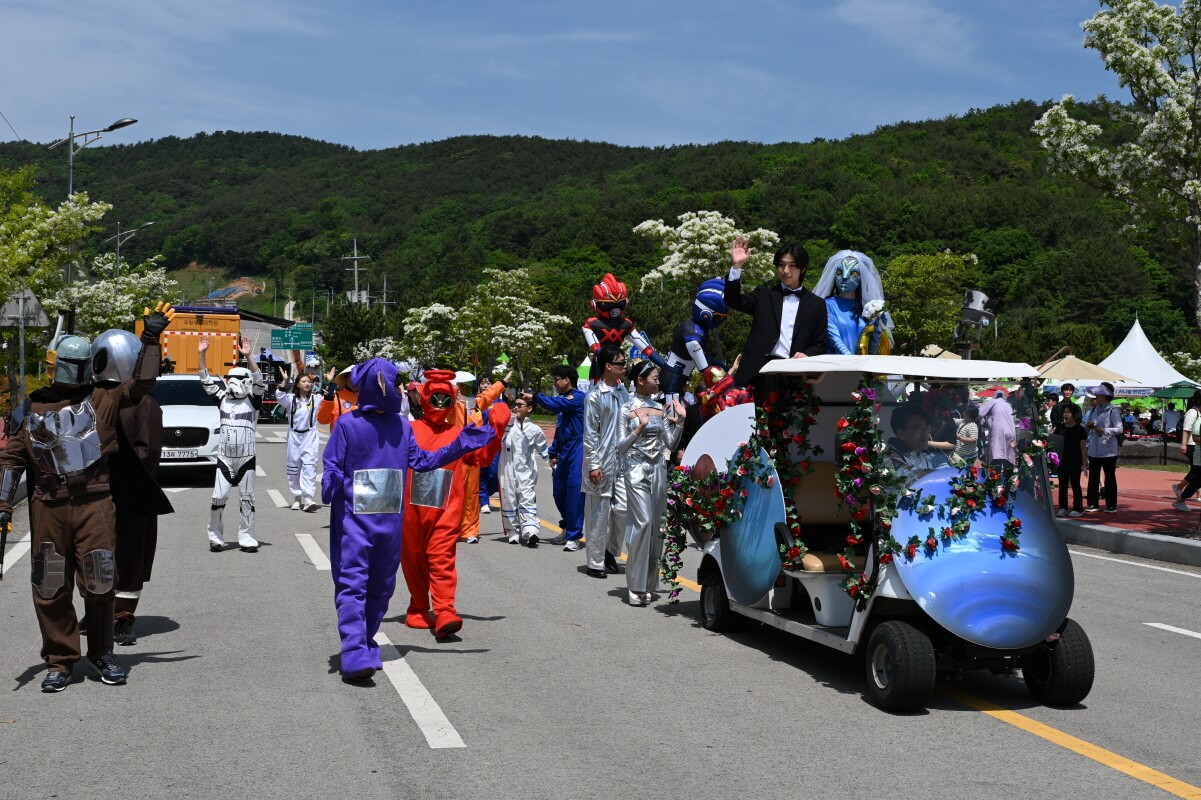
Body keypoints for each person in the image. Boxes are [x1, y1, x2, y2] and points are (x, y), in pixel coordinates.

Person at [0, 303, 174, 692]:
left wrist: (150, 339)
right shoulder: (32, 409)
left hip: (95, 502)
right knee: (49, 584)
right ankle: (60, 659)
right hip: (48, 505)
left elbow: (141, 385)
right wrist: (3, 507)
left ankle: (101, 652)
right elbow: (12, 458)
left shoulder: (104, 400)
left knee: (99, 580)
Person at [321, 358, 496, 681]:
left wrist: (460, 443)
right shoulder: (348, 424)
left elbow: (423, 461)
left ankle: (366, 639)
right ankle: (354, 648)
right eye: (397, 384)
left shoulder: (401, 426)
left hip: (390, 522)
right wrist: (331, 480)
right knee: (353, 583)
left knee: (382, 587)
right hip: (354, 521)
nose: (401, 390)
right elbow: (333, 461)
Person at [402, 370, 509, 638]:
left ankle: (444, 609)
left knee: (442, 558)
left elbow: (482, 458)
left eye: (445, 400)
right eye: (434, 398)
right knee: (413, 559)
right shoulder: (408, 430)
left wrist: (497, 430)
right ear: (424, 399)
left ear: (453, 402)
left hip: (445, 509)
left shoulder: (460, 433)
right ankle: (417, 607)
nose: (439, 405)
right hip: (410, 511)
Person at [92, 329, 174, 648]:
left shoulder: (144, 404)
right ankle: (100, 610)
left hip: (131, 493)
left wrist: (123, 476)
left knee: (129, 557)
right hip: (99, 492)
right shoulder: (97, 398)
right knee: (99, 553)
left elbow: (148, 450)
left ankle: (123, 617)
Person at [618, 362, 683, 605]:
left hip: (658, 471)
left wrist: (681, 423)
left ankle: (648, 583)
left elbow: (670, 443)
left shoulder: (659, 407)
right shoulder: (626, 408)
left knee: (657, 526)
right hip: (635, 470)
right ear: (641, 380)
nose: (658, 381)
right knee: (642, 523)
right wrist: (639, 428)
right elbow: (620, 447)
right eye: (654, 378)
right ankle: (634, 586)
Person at [724, 237, 828, 389]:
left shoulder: (817, 304)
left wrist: (807, 354)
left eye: (792, 266)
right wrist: (736, 266)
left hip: (794, 374)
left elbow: (820, 343)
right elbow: (733, 301)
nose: (786, 271)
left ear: (802, 268)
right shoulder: (764, 294)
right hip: (758, 372)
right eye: (781, 265)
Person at [200, 335, 266, 552]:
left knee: (247, 499)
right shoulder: (222, 399)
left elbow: (259, 380)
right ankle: (215, 536)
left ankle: (247, 536)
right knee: (218, 497)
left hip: (246, 458)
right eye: (230, 378)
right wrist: (202, 354)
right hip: (225, 458)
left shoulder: (253, 401)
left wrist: (249, 356)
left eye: (238, 378)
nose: (232, 381)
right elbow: (205, 380)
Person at [582, 345, 631, 578]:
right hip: (600, 461)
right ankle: (595, 562)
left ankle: (611, 550)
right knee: (598, 513)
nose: (624, 366)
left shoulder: (624, 393)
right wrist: (593, 464)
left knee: (622, 509)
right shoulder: (594, 396)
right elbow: (590, 433)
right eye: (620, 363)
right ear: (608, 367)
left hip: (623, 461)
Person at [533, 364, 586, 550]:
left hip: (579, 448)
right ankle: (568, 527)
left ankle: (574, 536)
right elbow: (559, 431)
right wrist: (553, 452)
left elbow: (553, 405)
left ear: (567, 380)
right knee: (559, 491)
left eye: (556, 380)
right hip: (564, 450)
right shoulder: (565, 400)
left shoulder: (577, 398)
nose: (554, 383)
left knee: (574, 492)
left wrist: (535, 397)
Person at [456, 372, 509, 544]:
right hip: (453, 458)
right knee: (453, 498)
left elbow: (490, 394)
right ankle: (451, 529)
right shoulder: (450, 405)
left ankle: (470, 531)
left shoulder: (477, 404)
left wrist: (502, 382)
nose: (468, 389)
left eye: (470, 385)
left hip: (473, 459)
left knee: (471, 498)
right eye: (463, 386)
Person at [812, 250, 894, 355]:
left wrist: (878, 329)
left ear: (862, 277)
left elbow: (872, 350)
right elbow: (836, 342)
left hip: (861, 367)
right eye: (839, 272)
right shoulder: (825, 305)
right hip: (836, 366)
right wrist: (853, 362)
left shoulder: (867, 308)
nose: (845, 277)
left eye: (853, 273)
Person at [660, 278, 728, 403]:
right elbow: (695, 348)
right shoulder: (691, 330)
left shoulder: (699, 329)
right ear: (706, 314)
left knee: (679, 411)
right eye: (719, 317)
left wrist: (722, 367)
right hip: (673, 377)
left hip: (681, 376)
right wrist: (709, 371)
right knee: (673, 414)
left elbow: (701, 354)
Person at [499, 392, 549, 546]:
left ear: (530, 408)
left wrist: (554, 464)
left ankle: (530, 530)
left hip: (526, 470)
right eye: (515, 405)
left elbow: (544, 450)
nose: (516, 407)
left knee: (527, 499)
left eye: (520, 405)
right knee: (509, 499)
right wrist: (509, 421)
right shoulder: (507, 425)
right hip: (507, 468)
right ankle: (513, 531)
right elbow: (498, 439)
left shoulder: (534, 429)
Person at [276, 367, 321, 511]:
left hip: (310, 436)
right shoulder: (290, 399)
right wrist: (284, 381)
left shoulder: (316, 398)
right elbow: (280, 396)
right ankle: (296, 497)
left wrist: (331, 381)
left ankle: (308, 498)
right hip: (294, 437)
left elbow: (330, 397)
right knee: (294, 468)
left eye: (309, 382)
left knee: (309, 467)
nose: (308, 384)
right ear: (297, 384)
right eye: (304, 381)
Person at [1084, 383, 1122, 513]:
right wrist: (1088, 425)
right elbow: (1086, 424)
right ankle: (1093, 503)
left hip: (1108, 450)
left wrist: (1104, 430)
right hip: (1094, 448)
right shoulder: (1094, 410)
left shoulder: (1113, 410)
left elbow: (1119, 428)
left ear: (1106, 396)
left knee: (1109, 477)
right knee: (1093, 477)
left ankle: (1111, 505)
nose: (1096, 397)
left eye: (1099, 395)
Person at [884, 405, 949, 478]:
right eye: (918, 428)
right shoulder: (888, 457)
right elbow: (910, 478)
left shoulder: (921, 455)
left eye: (927, 427)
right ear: (900, 434)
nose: (925, 433)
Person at [1053, 404, 1087, 517]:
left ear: (1074, 415)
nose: (1065, 414)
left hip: (1075, 461)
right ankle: (1063, 507)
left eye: (1068, 412)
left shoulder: (1080, 430)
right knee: (1062, 484)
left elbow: (1083, 447)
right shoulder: (1060, 428)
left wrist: (1084, 463)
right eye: (1064, 412)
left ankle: (1078, 508)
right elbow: (1054, 444)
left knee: (1075, 484)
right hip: (1062, 461)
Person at [1172, 390, 1201, 508]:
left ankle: (1180, 489)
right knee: (1196, 472)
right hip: (1191, 444)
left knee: (1196, 472)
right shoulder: (1193, 412)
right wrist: (1183, 444)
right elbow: (1186, 429)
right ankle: (1182, 495)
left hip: (1196, 445)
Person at [979, 390, 1017, 470]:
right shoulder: (1008, 405)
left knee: (997, 454)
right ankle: (1008, 477)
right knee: (1008, 455)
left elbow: (979, 413)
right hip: (1011, 432)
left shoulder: (993, 401)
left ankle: (996, 477)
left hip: (998, 431)